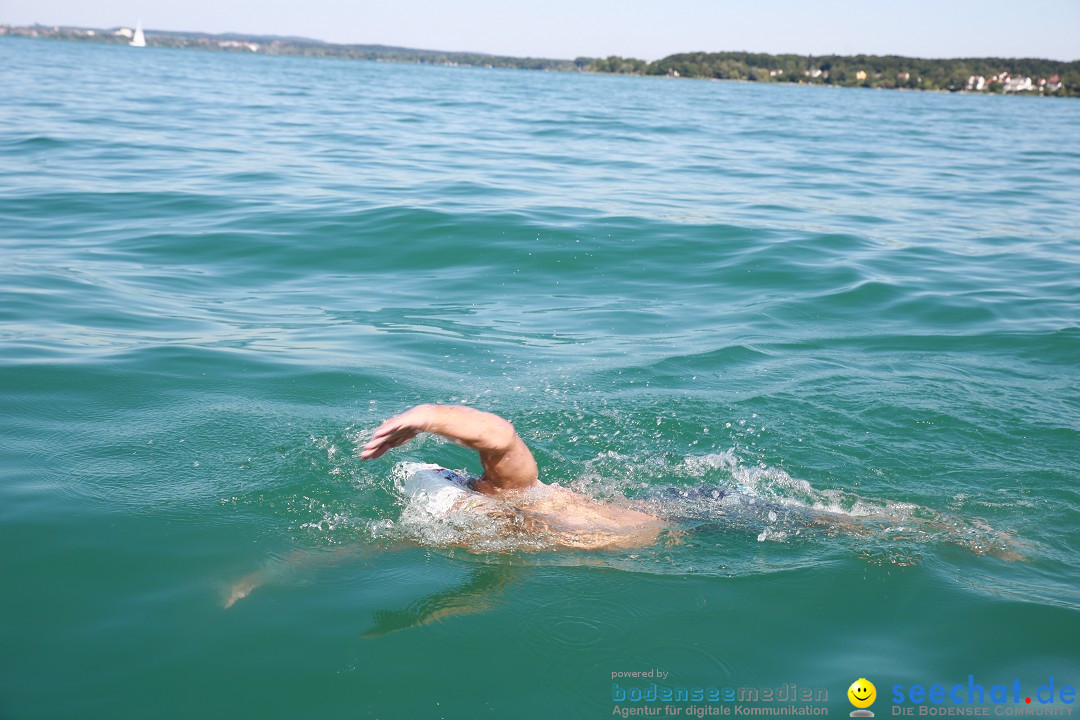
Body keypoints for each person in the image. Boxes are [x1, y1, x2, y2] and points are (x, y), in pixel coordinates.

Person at [361, 404, 665, 550]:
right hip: (656, 525)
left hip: (683, 520)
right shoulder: (505, 521)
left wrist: (430, 417)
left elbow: (502, 436)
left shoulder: (511, 493)